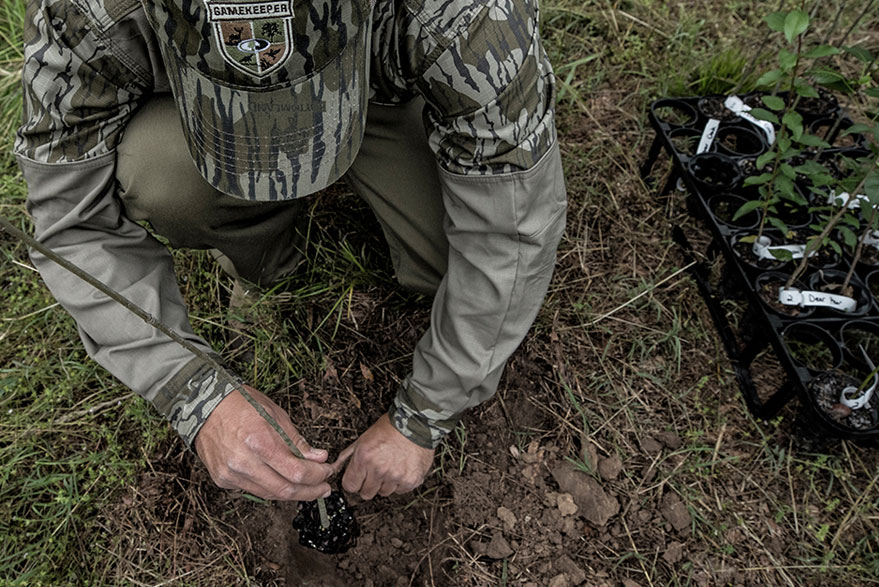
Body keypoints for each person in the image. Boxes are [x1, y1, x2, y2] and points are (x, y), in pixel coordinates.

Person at [15, 0, 566, 503]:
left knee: (457, 268)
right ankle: (263, 262)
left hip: (386, 91)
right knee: (156, 176)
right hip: (201, 114)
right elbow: (72, 225)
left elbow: (511, 234)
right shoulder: (92, 13)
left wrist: (424, 414)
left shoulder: (465, 16)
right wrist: (193, 394)